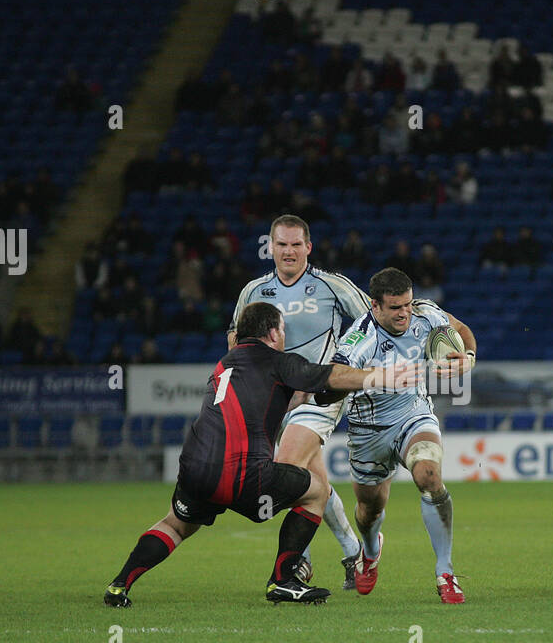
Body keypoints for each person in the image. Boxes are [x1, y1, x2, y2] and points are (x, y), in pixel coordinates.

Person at [104, 302, 418, 607]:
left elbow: (274, 398)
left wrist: (305, 394)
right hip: (242, 475)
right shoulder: (276, 361)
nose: (284, 337)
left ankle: (119, 584)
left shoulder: (225, 364)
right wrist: (381, 377)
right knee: (316, 492)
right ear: (271, 333)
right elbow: (332, 375)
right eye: (282, 330)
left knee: (175, 525)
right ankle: (283, 580)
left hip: (195, 470)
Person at [227, 216, 373, 590]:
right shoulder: (254, 291)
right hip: (274, 402)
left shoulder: (331, 285)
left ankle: (295, 563)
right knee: (313, 482)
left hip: (319, 393)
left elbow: (370, 328)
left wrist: (339, 372)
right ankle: (353, 552)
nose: (288, 252)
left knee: (286, 466)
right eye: (281, 245)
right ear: (270, 247)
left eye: (296, 245)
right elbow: (235, 341)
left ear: (309, 247)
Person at [332, 268, 478, 603]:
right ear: (375, 306)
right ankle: (370, 552)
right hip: (368, 432)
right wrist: (379, 378)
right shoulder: (360, 336)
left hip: (413, 414)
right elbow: (335, 376)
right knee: (370, 508)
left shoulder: (426, 315)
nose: (404, 314)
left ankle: (445, 572)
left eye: (408, 305)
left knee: (429, 475)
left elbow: (460, 328)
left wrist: (467, 359)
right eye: (396, 307)